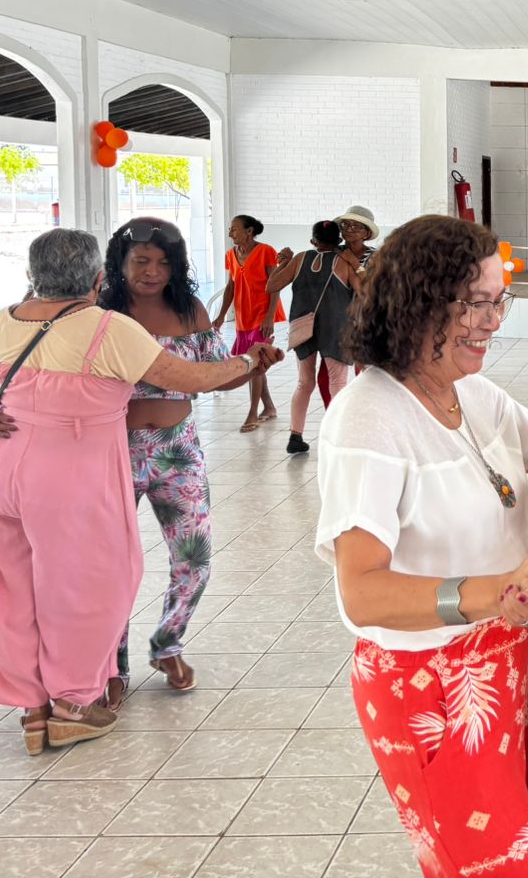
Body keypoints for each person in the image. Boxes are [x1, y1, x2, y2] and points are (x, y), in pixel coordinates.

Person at [315, 215, 528, 877]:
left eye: (500, 300)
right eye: (475, 303)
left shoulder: (476, 394)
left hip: (499, 668)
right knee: (497, 866)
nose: (494, 321)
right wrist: (501, 591)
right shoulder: (369, 416)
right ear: (418, 300)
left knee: (508, 851)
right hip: (429, 688)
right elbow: (364, 590)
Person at [0, 229, 280, 754]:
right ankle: (75, 699)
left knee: (14, 585)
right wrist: (250, 362)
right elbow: (190, 377)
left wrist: (7, 408)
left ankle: (34, 709)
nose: (150, 271)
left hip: (4, 470)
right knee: (93, 583)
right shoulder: (107, 326)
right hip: (73, 469)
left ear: (30, 275)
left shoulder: (2, 320)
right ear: (100, 275)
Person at [100, 218, 246, 707]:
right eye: (141, 260)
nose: (151, 271)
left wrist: (254, 363)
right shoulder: (101, 313)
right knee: (109, 564)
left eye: (163, 262)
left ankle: (167, 644)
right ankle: (109, 665)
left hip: (178, 447)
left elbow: (218, 375)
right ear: (120, 263)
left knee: (195, 558)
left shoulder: (189, 309)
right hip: (111, 449)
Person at [267, 220, 355, 456]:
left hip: (302, 326)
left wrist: (282, 264)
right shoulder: (343, 262)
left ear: (312, 240)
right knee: (337, 383)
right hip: (336, 328)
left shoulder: (301, 259)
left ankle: (295, 436)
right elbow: (364, 290)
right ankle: (338, 437)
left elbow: (271, 286)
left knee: (304, 382)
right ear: (339, 241)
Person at [215, 214, 283, 431]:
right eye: (230, 229)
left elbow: (276, 285)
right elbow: (230, 287)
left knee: (257, 366)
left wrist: (269, 316)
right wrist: (221, 315)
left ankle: (252, 414)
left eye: (234, 229)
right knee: (254, 367)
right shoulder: (231, 255)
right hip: (243, 318)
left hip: (262, 316)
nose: (230, 233)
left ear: (249, 231)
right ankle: (269, 407)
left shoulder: (266, 252)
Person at [334, 205, 380, 291]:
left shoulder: (376, 256)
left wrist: (353, 262)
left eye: (356, 226)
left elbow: (374, 286)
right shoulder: (334, 251)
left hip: (363, 303)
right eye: (345, 224)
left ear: (367, 234)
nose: (349, 229)